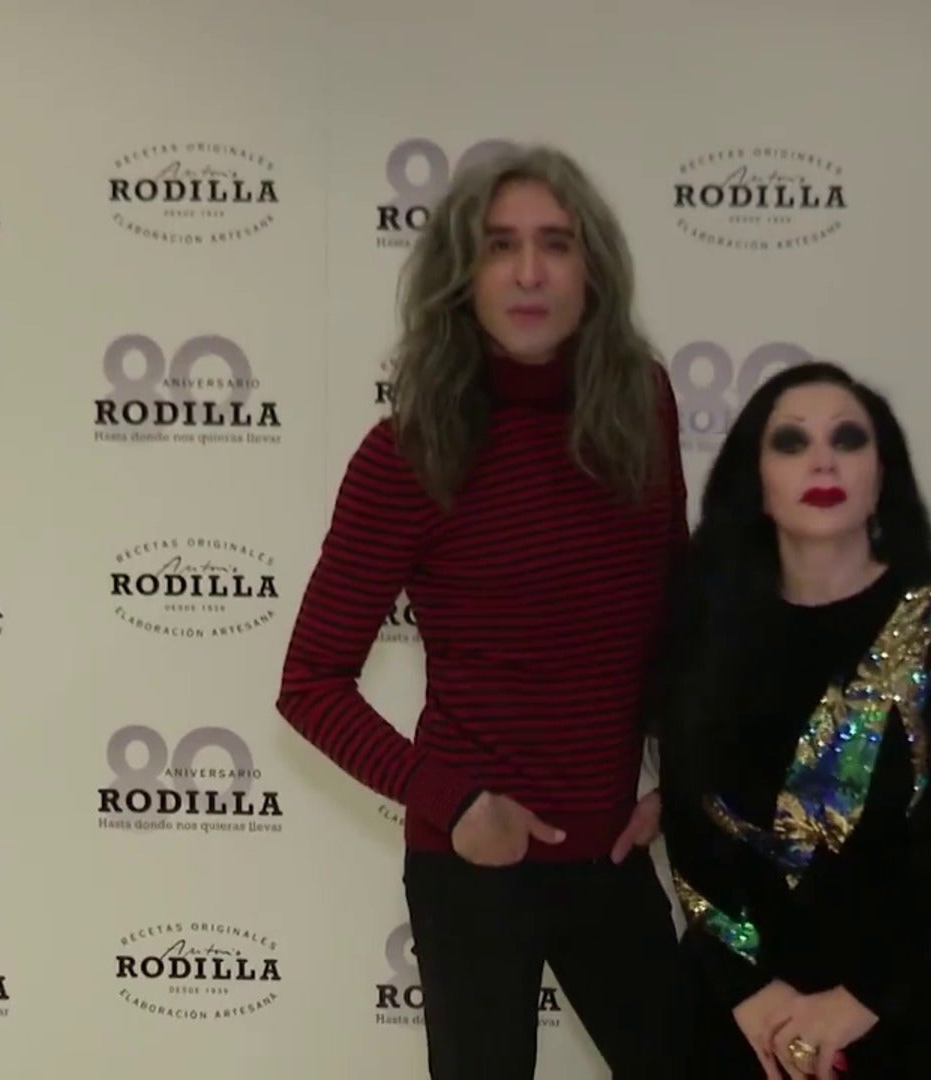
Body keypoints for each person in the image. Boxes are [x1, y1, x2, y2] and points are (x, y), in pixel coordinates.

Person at [275, 143, 688, 1079]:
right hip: (473, 867)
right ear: (460, 276)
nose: (530, 271)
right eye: (500, 246)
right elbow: (310, 684)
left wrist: (684, 776)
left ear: (595, 270)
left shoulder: (642, 406)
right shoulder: (409, 453)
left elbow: (673, 611)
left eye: (556, 243)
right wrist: (452, 803)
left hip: (610, 854)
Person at [650, 361, 931, 1078]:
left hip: (912, 1003)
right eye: (792, 442)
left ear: (882, 474)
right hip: (744, 1013)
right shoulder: (704, 621)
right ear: (756, 479)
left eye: (848, 439)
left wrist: (858, 1001)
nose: (823, 460)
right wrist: (751, 994)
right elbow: (688, 822)